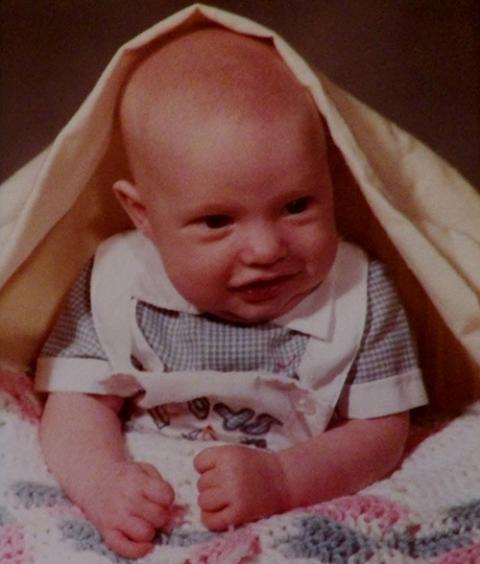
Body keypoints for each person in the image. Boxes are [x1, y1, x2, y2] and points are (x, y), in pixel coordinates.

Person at [36, 27, 427, 559]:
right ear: (143, 214)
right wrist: (104, 483)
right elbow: (77, 402)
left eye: (297, 206)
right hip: (148, 485)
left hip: (301, 486)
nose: (266, 248)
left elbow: (381, 431)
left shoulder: (358, 293)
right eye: (218, 221)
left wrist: (285, 480)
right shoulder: (119, 284)